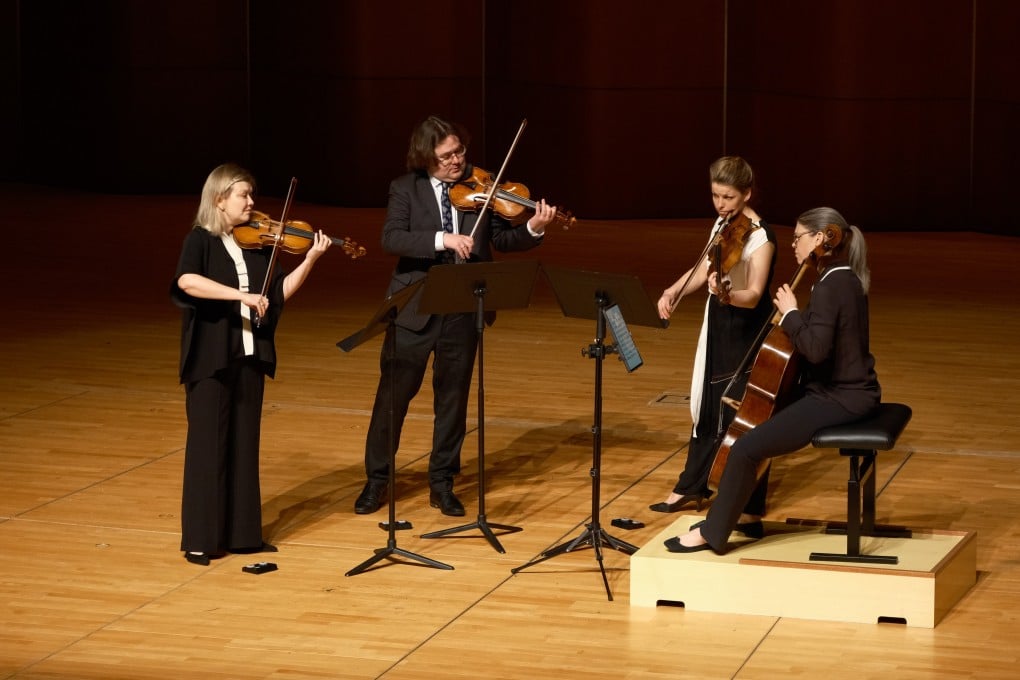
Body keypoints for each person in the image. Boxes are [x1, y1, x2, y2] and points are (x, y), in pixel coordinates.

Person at [355, 115, 556, 516]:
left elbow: (500, 238)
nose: (457, 161)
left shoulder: (481, 188)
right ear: (426, 157)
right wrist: (440, 239)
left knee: (453, 402)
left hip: (463, 308)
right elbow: (391, 238)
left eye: (460, 151)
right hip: (413, 309)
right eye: (447, 155)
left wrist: (533, 227)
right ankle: (377, 480)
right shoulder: (404, 189)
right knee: (392, 400)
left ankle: (442, 482)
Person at [665, 207, 880, 553]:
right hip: (842, 391)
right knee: (757, 426)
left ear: (821, 238)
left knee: (746, 447)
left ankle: (713, 532)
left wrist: (793, 314)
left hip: (838, 398)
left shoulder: (831, 285)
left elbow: (816, 350)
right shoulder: (843, 277)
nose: (793, 244)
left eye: (799, 237)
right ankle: (742, 517)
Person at [172, 162, 331, 565]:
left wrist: (310, 259)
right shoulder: (200, 240)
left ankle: (244, 535)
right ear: (219, 199)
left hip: (250, 355)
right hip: (211, 358)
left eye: (250, 195)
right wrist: (239, 297)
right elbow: (187, 282)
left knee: (244, 445)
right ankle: (201, 539)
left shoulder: (256, 244)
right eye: (243, 195)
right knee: (208, 448)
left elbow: (276, 294)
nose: (252, 202)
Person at [649, 157, 777, 513]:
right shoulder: (723, 224)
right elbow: (704, 267)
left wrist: (726, 295)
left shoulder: (761, 238)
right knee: (707, 406)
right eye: (716, 196)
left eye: (729, 197)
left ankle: (743, 496)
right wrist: (672, 291)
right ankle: (693, 486)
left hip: (744, 330)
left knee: (738, 412)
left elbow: (752, 295)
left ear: (747, 193)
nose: (721, 204)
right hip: (720, 321)